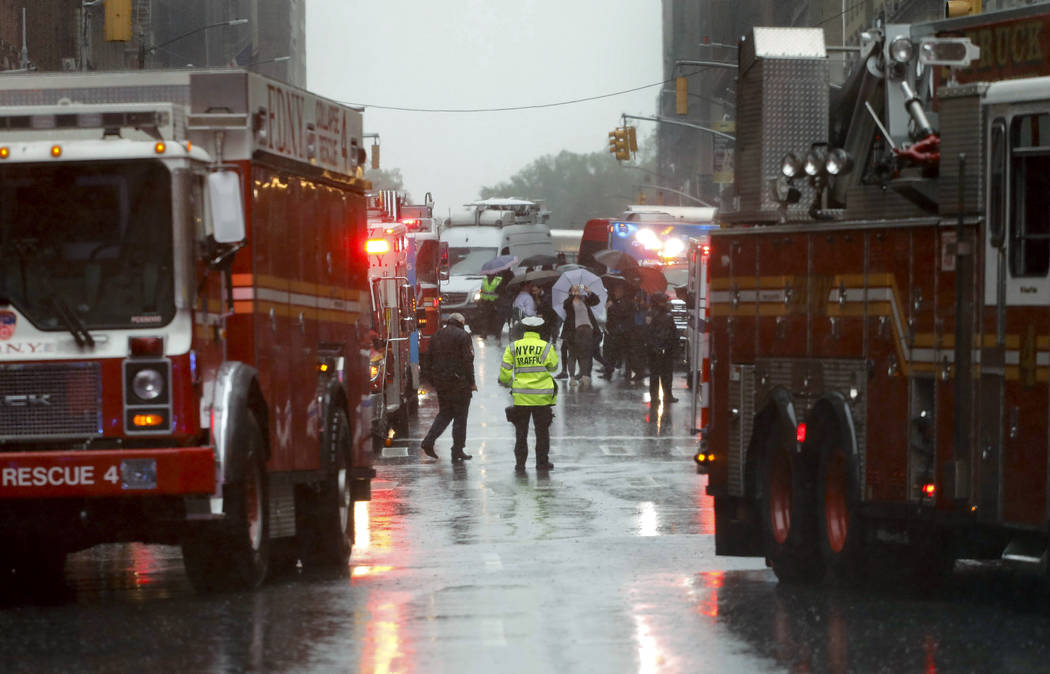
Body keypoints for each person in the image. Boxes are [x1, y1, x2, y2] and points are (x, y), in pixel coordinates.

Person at [499, 315, 558, 472]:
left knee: (521, 432)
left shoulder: (513, 347)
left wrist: (511, 383)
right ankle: (542, 463)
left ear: (524, 330)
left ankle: (520, 464)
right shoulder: (546, 347)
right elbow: (553, 367)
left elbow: (504, 374)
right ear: (539, 330)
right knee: (542, 432)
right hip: (542, 397)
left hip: (521, 397)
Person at [420, 312, 476, 462]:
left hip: (442, 383)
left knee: (445, 414)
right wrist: (472, 382)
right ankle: (457, 449)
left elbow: (427, 359)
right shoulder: (463, 336)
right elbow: (468, 361)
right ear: (460, 323)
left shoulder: (436, 335)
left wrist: (433, 380)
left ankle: (428, 441)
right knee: (460, 416)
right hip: (459, 383)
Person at [562, 284, 600, 389]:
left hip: (587, 329)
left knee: (585, 354)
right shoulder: (569, 302)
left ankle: (584, 375)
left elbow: (596, 301)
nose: (578, 291)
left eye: (578, 289)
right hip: (574, 331)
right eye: (574, 290)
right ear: (570, 292)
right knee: (573, 354)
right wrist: (573, 296)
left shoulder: (585, 300)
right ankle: (572, 378)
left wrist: (589, 292)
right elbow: (566, 305)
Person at [646, 292, 679, 406]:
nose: (665, 303)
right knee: (664, 374)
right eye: (663, 301)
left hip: (657, 349)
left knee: (658, 374)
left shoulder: (652, 314)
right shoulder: (663, 315)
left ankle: (657, 397)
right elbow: (671, 334)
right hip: (662, 348)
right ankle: (665, 396)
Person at [602, 283, 633, 379]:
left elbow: (623, 315)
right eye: (615, 291)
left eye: (618, 291)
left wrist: (611, 307)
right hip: (613, 331)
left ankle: (625, 372)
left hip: (621, 332)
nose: (616, 293)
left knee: (620, 352)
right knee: (610, 353)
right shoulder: (612, 302)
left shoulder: (625, 302)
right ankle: (608, 372)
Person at [477, 272, 504, 341]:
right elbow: (482, 291)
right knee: (485, 318)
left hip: (495, 302)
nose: (490, 275)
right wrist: (481, 301)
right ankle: (484, 333)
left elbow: (501, 291)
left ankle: (498, 334)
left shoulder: (499, 280)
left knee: (496, 319)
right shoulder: (484, 280)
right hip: (486, 302)